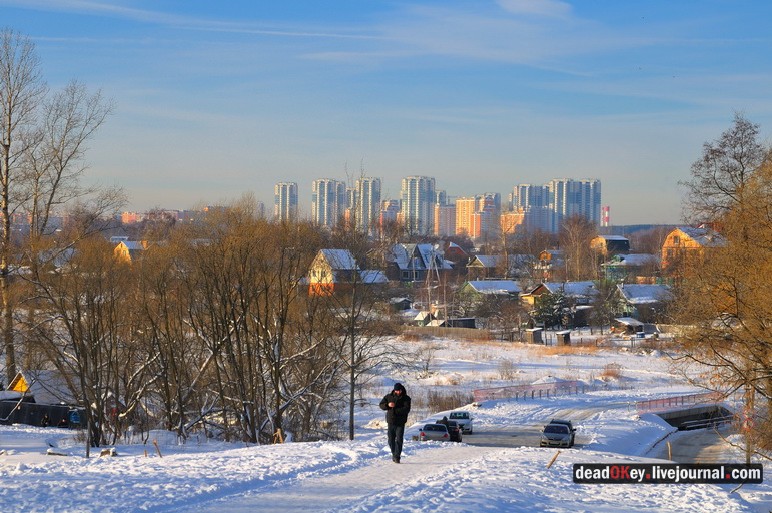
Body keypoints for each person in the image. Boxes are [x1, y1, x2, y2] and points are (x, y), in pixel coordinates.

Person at [379, 382, 411, 463]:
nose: (398, 392)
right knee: (390, 440)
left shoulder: (406, 398)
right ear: (394, 390)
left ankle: (397, 457)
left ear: (401, 390)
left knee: (399, 440)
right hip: (391, 422)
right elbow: (381, 405)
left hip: (400, 423)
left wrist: (395, 409)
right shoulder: (389, 396)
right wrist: (388, 405)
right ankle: (394, 454)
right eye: (397, 391)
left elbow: (406, 409)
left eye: (399, 390)